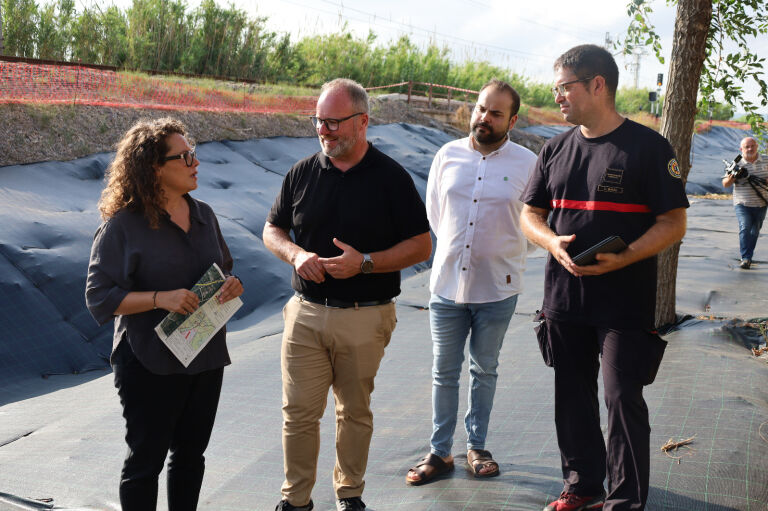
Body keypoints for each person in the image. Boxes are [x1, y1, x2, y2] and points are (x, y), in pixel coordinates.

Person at [519, 45, 688, 511]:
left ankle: (626, 499)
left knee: (620, 397)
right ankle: (582, 484)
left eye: (564, 87)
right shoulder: (554, 149)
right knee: (571, 394)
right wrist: (552, 242)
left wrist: (628, 255)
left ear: (598, 84)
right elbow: (530, 214)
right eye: (556, 89)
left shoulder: (649, 148)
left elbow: (674, 221)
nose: (558, 97)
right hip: (564, 298)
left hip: (623, 301)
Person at [262, 78, 432, 511]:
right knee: (298, 413)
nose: (325, 131)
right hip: (305, 313)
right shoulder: (301, 173)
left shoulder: (391, 178)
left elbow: (421, 245)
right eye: (319, 121)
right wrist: (296, 254)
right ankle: (295, 501)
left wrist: (367, 262)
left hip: (365, 314)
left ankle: (349, 494)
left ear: (362, 122)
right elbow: (272, 229)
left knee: (354, 412)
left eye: (334, 122)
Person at [85, 118, 243, 511]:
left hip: (203, 356)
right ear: (154, 167)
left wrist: (231, 285)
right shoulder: (123, 226)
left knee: (191, 457)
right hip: (147, 362)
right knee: (145, 463)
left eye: (195, 154)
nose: (196, 163)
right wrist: (160, 298)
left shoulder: (204, 214)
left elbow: (224, 266)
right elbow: (98, 296)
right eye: (185, 156)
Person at [405, 79, 537, 485]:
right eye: (481, 108)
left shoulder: (528, 164)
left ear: (511, 120)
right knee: (444, 371)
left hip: (498, 289)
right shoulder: (447, 156)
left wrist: (501, 256)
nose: (484, 117)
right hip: (447, 287)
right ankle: (439, 452)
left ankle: (476, 446)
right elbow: (435, 215)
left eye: (495, 113)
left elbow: (533, 226)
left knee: (485, 369)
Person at [721, 136, 768, 269]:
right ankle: (746, 258)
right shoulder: (736, 164)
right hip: (742, 203)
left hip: (762, 202)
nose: (750, 149)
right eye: (746, 147)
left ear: (757, 146)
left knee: (755, 231)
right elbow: (725, 184)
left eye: (752, 146)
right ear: (741, 149)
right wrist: (732, 177)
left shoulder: (766, 160)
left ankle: (748, 255)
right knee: (745, 227)